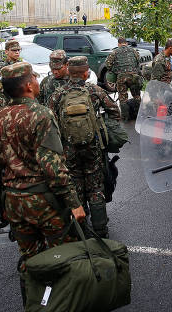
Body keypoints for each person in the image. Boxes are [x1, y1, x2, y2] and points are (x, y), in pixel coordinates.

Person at [0, 61, 85, 304]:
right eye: (35, 78)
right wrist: (73, 202)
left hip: (14, 202)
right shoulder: (41, 114)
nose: (38, 82)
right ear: (28, 85)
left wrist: (3, 202)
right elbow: (53, 166)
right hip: (44, 201)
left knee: (30, 257)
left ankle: (34, 302)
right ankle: (64, 303)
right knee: (63, 254)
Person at [47, 56, 120, 237]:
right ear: (86, 73)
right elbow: (114, 110)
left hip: (68, 149)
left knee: (75, 186)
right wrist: (104, 127)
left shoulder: (58, 94)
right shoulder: (94, 91)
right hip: (92, 147)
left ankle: (81, 229)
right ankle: (101, 230)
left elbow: (49, 121)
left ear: (69, 72)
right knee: (95, 187)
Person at [104, 37, 141, 110]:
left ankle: (125, 117)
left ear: (118, 44)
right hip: (134, 77)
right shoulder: (133, 51)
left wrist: (114, 69)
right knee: (136, 96)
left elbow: (108, 65)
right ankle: (138, 114)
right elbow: (138, 61)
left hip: (121, 78)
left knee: (123, 98)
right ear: (126, 43)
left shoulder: (114, 52)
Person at [0, 40, 23, 109]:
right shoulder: (2, 66)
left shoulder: (21, 64)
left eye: (18, 50)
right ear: (6, 52)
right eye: (14, 50)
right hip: (6, 101)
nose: (17, 52)